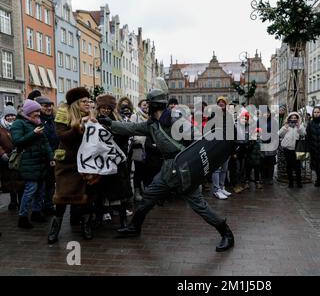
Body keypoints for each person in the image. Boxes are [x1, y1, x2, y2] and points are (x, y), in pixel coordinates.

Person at [98, 88, 235, 252]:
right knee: (148, 196)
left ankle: (226, 233)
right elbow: (132, 127)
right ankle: (135, 227)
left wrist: (192, 161)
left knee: (199, 205)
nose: (146, 107)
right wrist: (111, 123)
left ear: (154, 104)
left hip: (183, 168)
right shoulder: (152, 124)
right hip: (167, 170)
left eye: (148, 104)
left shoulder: (175, 119)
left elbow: (198, 138)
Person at [47, 87, 97, 244]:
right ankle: (55, 229)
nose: (87, 103)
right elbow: (63, 137)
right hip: (67, 162)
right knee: (62, 198)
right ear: (76, 103)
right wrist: (77, 126)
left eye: (88, 101)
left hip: (85, 162)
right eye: (84, 101)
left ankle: (86, 227)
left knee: (86, 197)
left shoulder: (91, 115)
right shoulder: (64, 113)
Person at [10, 100, 54, 229]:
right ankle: (22, 217)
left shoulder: (38, 122)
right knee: (30, 190)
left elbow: (45, 142)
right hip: (28, 162)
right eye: (35, 111)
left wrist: (51, 157)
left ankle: (36, 212)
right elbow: (17, 141)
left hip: (40, 162)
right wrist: (33, 133)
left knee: (40, 190)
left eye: (38, 111)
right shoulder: (18, 123)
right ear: (28, 111)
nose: (38, 113)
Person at [94, 94, 133, 230]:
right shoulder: (93, 121)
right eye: (103, 107)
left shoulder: (116, 121)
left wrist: (112, 130)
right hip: (100, 162)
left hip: (115, 161)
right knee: (100, 192)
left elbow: (124, 138)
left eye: (108, 108)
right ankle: (98, 219)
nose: (105, 110)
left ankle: (123, 221)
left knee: (120, 193)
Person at [36, 96, 58, 215]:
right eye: (45, 106)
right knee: (42, 185)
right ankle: (39, 208)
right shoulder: (37, 120)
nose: (49, 108)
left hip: (54, 156)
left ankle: (49, 205)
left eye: (50, 105)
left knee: (51, 183)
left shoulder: (53, 119)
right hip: (42, 157)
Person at [0, 106, 23, 211]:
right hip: (6, 159)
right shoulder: (1, 128)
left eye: (12, 115)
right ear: (5, 117)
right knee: (10, 182)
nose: (10, 117)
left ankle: (21, 201)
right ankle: (13, 201)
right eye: (8, 115)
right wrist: (2, 153)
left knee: (20, 180)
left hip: (19, 157)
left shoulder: (19, 125)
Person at [211, 96, 233, 200]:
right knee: (217, 168)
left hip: (226, 144)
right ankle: (216, 190)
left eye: (223, 102)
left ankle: (221, 187)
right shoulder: (213, 114)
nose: (221, 103)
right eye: (219, 102)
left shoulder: (229, 115)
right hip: (217, 144)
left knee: (224, 168)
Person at [278, 112, 306, 189]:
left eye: (295, 118)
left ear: (297, 119)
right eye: (292, 117)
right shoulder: (286, 126)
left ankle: (299, 182)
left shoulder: (300, 125)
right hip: (288, 149)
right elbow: (279, 134)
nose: (293, 119)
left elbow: (303, 133)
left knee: (298, 166)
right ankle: (291, 182)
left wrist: (299, 126)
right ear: (289, 118)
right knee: (289, 166)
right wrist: (285, 128)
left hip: (297, 149)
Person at [130, 100, 150, 202]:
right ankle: (137, 192)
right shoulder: (135, 116)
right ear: (139, 106)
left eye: (147, 104)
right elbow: (132, 130)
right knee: (138, 169)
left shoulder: (151, 117)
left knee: (146, 169)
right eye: (144, 104)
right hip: (138, 146)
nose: (146, 106)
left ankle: (145, 190)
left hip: (149, 147)